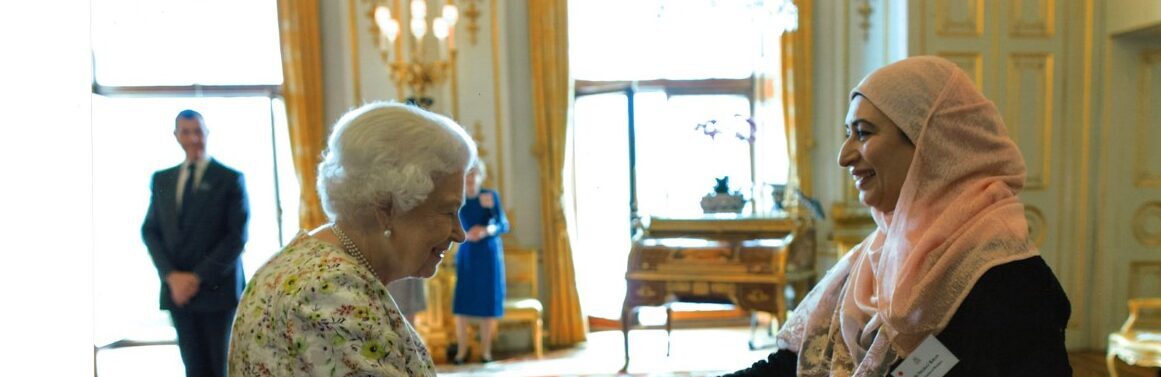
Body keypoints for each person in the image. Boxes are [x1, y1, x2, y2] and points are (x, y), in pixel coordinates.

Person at [723, 56, 1071, 376]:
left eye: (863, 133)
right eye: (848, 135)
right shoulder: (875, 256)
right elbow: (791, 367)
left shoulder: (1012, 280)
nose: (844, 156)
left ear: (929, 143)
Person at [228, 102, 476, 376]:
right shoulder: (328, 290)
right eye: (448, 211)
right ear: (386, 207)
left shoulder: (316, 263)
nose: (459, 233)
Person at [142, 109, 250, 377]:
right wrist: (171, 276)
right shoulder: (162, 179)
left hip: (217, 290)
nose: (193, 139)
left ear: (207, 133)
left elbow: (236, 237)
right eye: (186, 132)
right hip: (178, 293)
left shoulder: (229, 178)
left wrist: (196, 278)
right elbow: (151, 230)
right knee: (193, 367)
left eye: (198, 131)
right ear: (176, 136)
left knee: (221, 367)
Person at [451, 159, 510, 364]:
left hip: (488, 254)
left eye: (475, 173)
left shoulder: (490, 196)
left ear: (481, 175)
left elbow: (503, 224)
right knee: (462, 303)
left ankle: (486, 352)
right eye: (468, 173)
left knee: (487, 301)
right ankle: (462, 351)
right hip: (467, 253)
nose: (471, 177)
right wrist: (466, 235)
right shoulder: (457, 199)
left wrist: (486, 230)